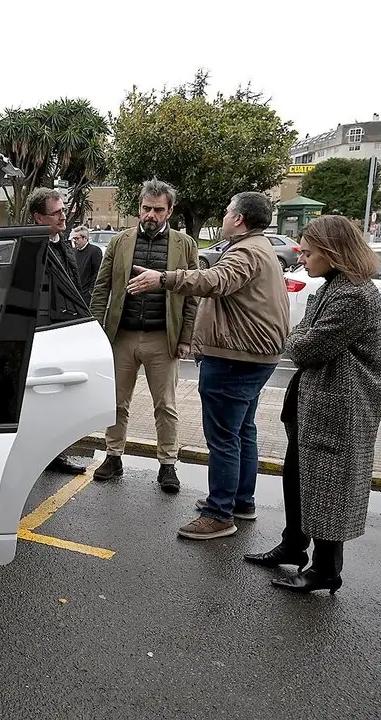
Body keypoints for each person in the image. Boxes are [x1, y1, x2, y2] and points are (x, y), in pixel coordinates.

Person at [127, 191, 290, 539]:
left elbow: (215, 282)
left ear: (240, 219)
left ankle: (219, 514)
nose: (225, 215)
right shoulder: (260, 248)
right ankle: (239, 502)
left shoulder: (246, 251)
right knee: (243, 430)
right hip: (253, 356)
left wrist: (165, 279)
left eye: (228, 210)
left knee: (224, 438)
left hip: (234, 357)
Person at [244, 215, 381, 594]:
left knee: (328, 489)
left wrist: (298, 336)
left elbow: (306, 346)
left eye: (307, 252)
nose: (301, 258)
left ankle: (326, 570)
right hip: (314, 404)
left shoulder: (354, 295)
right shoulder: (332, 286)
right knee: (297, 478)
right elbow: (303, 333)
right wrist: (299, 335)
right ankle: (293, 547)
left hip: (340, 408)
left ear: (332, 252)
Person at [89, 179, 198, 493]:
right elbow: (101, 289)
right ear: (139, 208)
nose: (151, 215)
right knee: (116, 402)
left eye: (158, 209)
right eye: (146, 208)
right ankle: (113, 456)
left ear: (169, 211)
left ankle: (167, 463)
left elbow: (192, 295)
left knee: (165, 405)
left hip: (163, 338)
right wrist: (98, 334)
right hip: (122, 335)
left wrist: (186, 337)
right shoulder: (120, 241)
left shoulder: (185, 244)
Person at [27, 187, 86, 475]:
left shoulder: (63, 242)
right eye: (57, 212)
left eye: (64, 210)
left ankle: (54, 455)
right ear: (38, 217)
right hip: (40, 333)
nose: (64, 216)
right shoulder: (29, 246)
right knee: (39, 398)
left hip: (64, 329)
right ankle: (36, 456)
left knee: (59, 399)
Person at [71, 225, 102, 305]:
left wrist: (90, 291)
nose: (74, 241)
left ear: (85, 238)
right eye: (74, 238)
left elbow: (97, 272)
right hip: (75, 293)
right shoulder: (73, 252)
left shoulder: (95, 251)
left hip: (87, 295)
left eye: (77, 238)